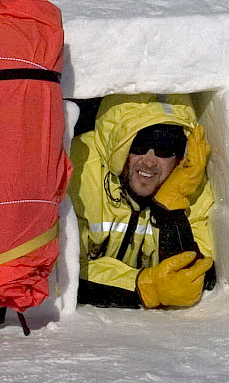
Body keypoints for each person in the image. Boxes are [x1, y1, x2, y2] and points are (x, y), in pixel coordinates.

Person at [70, 94, 216, 309]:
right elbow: (62, 271)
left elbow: (194, 275)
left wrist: (171, 209)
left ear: (179, 155)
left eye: (164, 148)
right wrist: (144, 287)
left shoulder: (189, 184)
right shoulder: (81, 170)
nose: (149, 162)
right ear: (119, 146)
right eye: (139, 144)